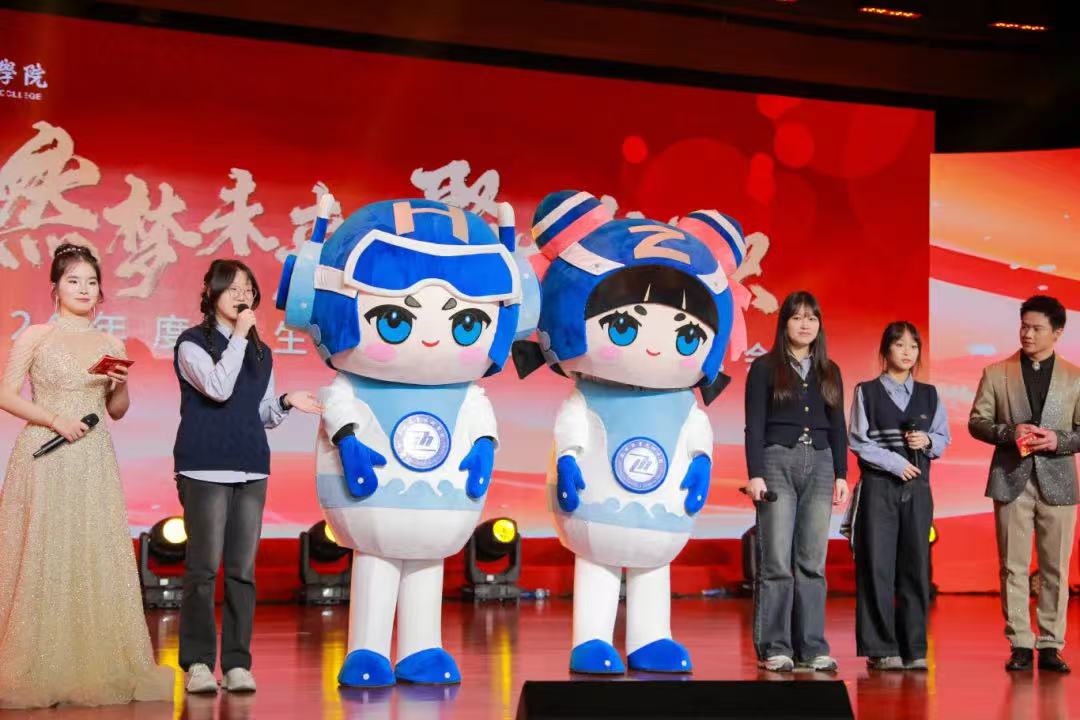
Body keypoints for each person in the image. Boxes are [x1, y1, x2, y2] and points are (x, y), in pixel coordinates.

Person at [0, 244, 173, 708]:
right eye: (73, 280)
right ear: (55, 287)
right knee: (44, 549)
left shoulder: (110, 345)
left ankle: (89, 660)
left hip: (93, 456)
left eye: (92, 282)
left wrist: (120, 386)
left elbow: (117, 410)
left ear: (101, 291)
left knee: (90, 550)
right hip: (45, 452)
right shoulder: (37, 336)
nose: (83, 289)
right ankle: (36, 660)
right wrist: (55, 420)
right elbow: (5, 394)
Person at [174, 259, 321, 694]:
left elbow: (260, 414)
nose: (242, 296)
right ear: (211, 293)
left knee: (241, 571)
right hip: (204, 465)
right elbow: (218, 388)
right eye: (233, 288)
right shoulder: (191, 343)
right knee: (203, 569)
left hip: (251, 464)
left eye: (248, 289)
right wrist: (239, 336)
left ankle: (237, 663)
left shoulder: (262, 352)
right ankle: (198, 663)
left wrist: (286, 401)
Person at [969, 294, 1080, 674]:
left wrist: (1058, 440)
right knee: (1012, 566)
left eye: (1036, 328)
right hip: (1010, 479)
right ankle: (1019, 642)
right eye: (1023, 326)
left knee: (1056, 568)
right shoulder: (996, 373)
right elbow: (977, 422)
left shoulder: (1075, 376)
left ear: (1057, 332)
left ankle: (1050, 644)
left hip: (1060, 484)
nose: (1027, 334)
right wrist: (1008, 432)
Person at [744, 290, 849, 673]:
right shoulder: (764, 367)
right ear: (784, 322)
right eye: (797, 317)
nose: (805, 324)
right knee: (776, 561)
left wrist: (842, 474)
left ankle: (812, 647)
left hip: (820, 463)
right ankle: (775, 646)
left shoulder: (830, 370)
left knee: (812, 562)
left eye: (812, 318)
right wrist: (755, 473)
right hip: (776, 461)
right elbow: (754, 424)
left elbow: (838, 426)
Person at [848, 321, 950, 671]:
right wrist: (894, 463)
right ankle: (880, 648)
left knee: (916, 566)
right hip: (880, 486)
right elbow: (859, 440)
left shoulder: (929, 395)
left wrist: (928, 441)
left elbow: (943, 437)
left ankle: (915, 648)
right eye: (900, 344)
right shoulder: (867, 392)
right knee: (876, 566)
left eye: (913, 346)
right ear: (885, 350)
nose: (907, 352)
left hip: (918, 489)